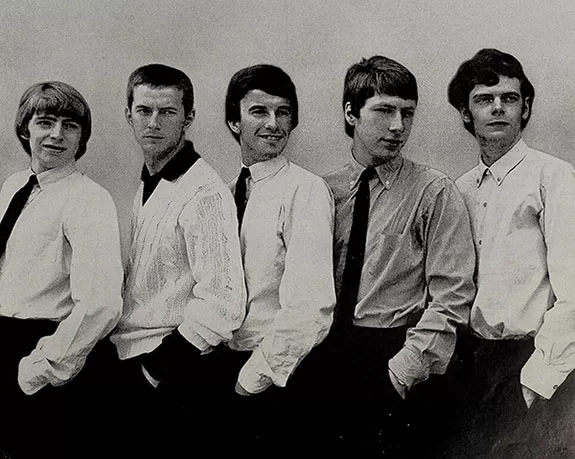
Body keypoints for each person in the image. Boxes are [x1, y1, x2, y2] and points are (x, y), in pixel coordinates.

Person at [320, 55, 476, 457]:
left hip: (392, 355)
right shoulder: (322, 192)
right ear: (351, 113)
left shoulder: (433, 192)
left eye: (407, 113)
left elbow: (453, 295)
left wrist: (402, 371)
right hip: (324, 357)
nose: (398, 126)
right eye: (385, 111)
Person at [109, 63, 246, 457]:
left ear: (188, 118)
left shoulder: (205, 191)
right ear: (129, 115)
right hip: (131, 358)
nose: (154, 123)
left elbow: (223, 303)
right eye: (144, 110)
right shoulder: (149, 180)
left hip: (174, 376)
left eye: (167, 112)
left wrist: (155, 371)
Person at [199, 64, 335, 454]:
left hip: (273, 376)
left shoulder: (305, 190)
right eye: (259, 111)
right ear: (234, 122)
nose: (273, 124)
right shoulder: (224, 194)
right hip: (220, 368)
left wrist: (252, 379)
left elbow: (311, 305)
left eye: (283, 112)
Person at [447, 48, 575, 458]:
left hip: (534, 361)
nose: (498, 107)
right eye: (484, 99)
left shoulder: (553, 177)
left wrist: (532, 382)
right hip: (471, 362)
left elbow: (573, 293)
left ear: (526, 108)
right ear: (466, 114)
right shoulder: (459, 189)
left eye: (510, 98)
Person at [0, 81, 123, 458]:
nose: (57, 134)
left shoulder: (89, 199)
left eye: (70, 125)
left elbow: (101, 304)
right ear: (25, 128)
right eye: (45, 122)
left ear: (82, 136)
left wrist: (38, 370)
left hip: (47, 354)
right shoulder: (13, 186)